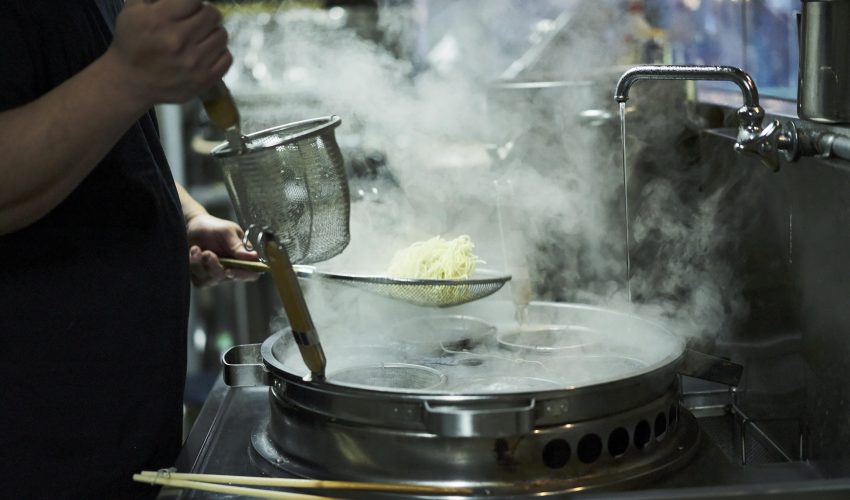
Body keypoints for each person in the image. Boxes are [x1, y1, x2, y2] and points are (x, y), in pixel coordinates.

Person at [0, 1, 258, 498]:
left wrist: (184, 218)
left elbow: (112, 141)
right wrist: (127, 77)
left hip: (125, 443)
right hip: (34, 455)